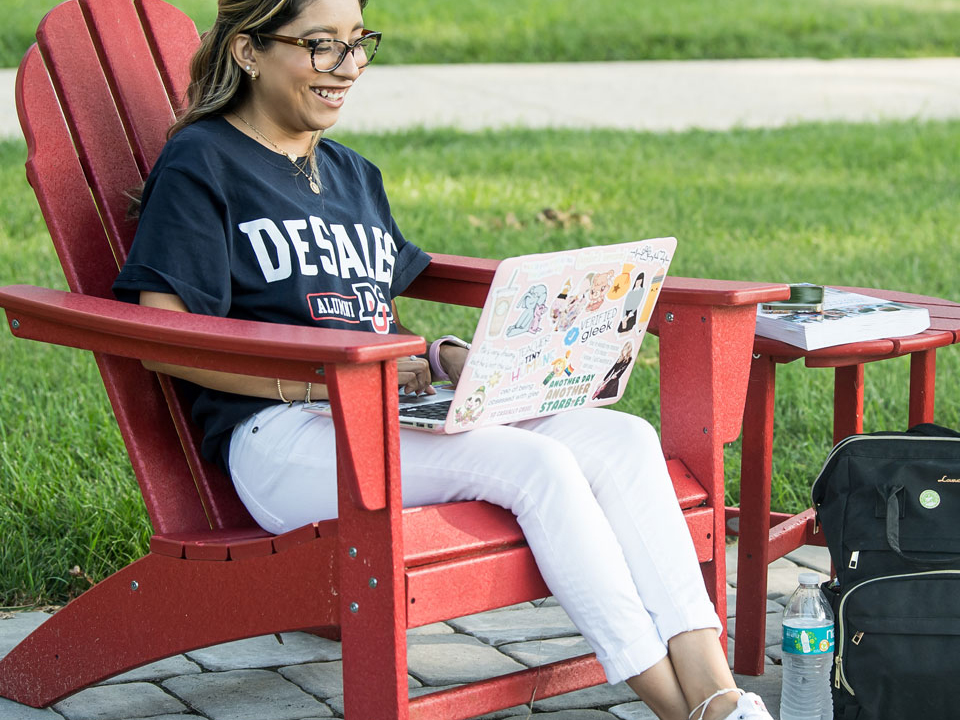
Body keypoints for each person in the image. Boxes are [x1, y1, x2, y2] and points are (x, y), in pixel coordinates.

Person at [112, 1, 774, 719]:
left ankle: (718, 694)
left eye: (358, 44)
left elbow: (363, 313)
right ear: (247, 50)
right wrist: (326, 377)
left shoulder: (351, 175)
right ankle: (681, 712)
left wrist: (447, 354)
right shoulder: (203, 163)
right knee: (539, 466)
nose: (349, 68)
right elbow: (163, 337)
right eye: (322, 47)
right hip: (281, 438)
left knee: (624, 441)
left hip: (387, 418)